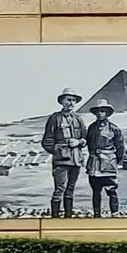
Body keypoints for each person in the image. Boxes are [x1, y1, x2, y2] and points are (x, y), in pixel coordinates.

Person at [40, 90, 86, 218]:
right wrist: (58, 151)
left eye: (73, 100)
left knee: (70, 190)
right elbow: (47, 141)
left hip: (76, 160)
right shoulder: (55, 118)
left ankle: (68, 218)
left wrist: (78, 142)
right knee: (59, 189)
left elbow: (85, 138)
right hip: (61, 161)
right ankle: (55, 219)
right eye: (68, 100)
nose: (71, 103)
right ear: (62, 101)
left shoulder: (78, 119)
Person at [82, 98, 126, 217]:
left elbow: (120, 148)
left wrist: (114, 162)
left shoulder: (114, 128)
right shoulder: (91, 128)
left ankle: (115, 214)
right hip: (94, 163)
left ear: (107, 113)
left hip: (108, 164)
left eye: (102, 111)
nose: (100, 113)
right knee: (96, 191)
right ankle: (97, 214)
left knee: (111, 190)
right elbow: (89, 144)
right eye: (98, 111)